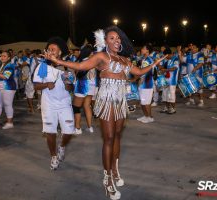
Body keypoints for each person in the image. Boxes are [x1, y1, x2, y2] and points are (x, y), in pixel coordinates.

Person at [43, 26, 166, 200]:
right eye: (112, 38)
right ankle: (107, 179)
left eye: (118, 38)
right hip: (107, 101)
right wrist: (59, 61)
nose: (116, 41)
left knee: (116, 136)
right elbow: (80, 65)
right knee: (108, 138)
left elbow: (137, 72)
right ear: (105, 42)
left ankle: (115, 170)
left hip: (120, 102)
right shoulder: (101, 57)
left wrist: (154, 64)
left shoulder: (124, 59)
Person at [33, 37, 75, 170]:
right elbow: (36, 86)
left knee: (69, 131)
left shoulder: (67, 66)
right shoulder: (43, 66)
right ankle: (54, 156)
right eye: (49, 49)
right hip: (49, 104)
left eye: (54, 49)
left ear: (60, 52)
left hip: (64, 103)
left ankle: (62, 147)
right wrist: (46, 84)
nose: (50, 51)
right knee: (50, 132)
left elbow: (71, 89)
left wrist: (68, 83)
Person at [72, 44, 96, 134]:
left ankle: (77, 128)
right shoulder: (94, 61)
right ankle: (90, 127)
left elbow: (78, 74)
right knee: (87, 106)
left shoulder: (83, 61)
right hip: (92, 85)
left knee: (76, 107)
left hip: (83, 84)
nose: (93, 53)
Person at [137, 44, 155, 123]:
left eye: (143, 48)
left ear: (148, 50)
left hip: (147, 83)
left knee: (146, 102)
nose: (142, 49)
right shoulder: (144, 59)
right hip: (143, 83)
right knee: (142, 101)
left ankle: (150, 117)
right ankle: (146, 115)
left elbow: (147, 71)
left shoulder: (149, 60)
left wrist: (141, 80)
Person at [159, 48, 179, 114]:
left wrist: (165, 70)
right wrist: (158, 65)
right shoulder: (166, 60)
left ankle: (173, 109)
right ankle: (166, 107)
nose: (165, 57)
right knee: (164, 95)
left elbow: (175, 68)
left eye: (166, 55)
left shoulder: (175, 59)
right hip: (165, 80)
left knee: (171, 95)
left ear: (169, 54)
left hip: (172, 81)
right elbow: (162, 68)